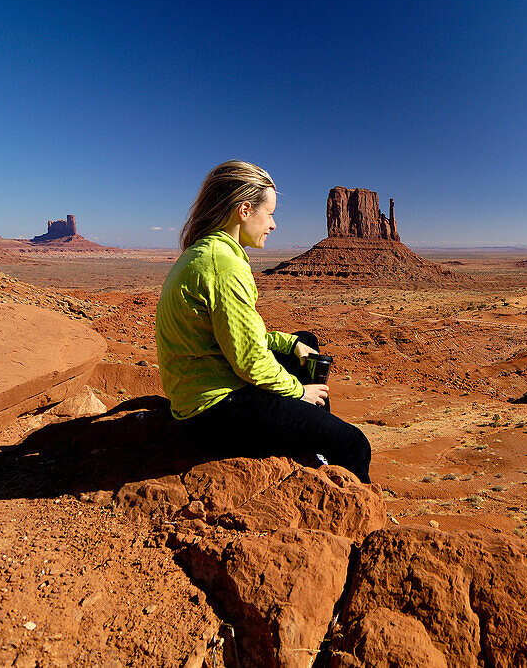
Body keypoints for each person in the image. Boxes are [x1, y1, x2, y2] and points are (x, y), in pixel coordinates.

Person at [155, 160, 371, 483]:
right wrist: (300, 392)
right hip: (215, 411)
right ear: (244, 210)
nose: (273, 224)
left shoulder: (204, 252)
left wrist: (291, 344)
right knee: (355, 444)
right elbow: (249, 361)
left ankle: (313, 443)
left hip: (203, 393)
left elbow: (236, 339)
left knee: (306, 342)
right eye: (269, 214)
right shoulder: (224, 265)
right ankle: (335, 478)